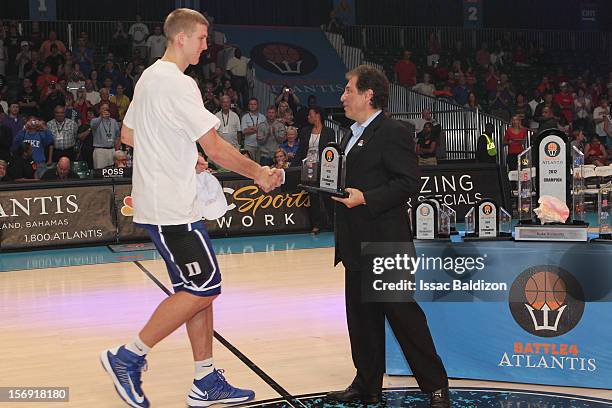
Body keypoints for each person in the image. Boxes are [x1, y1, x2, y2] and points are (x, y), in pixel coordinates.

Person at [99, 9, 283, 408]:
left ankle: (205, 381)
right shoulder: (178, 84)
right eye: (201, 38)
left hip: (164, 202)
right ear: (180, 38)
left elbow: (130, 135)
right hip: (173, 208)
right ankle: (127, 355)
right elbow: (216, 146)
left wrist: (183, 155)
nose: (206, 45)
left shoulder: (148, 78)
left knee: (194, 291)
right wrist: (259, 174)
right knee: (206, 286)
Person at [327, 64, 449, 407]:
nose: (343, 97)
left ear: (368, 94)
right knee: (362, 321)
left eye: (348, 90)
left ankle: (436, 386)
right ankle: (367, 384)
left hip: (385, 241)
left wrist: (365, 197)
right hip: (354, 241)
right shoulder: (350, 135)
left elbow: (407, 184)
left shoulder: (393, 130)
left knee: (403, 317)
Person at [295, 106, 335, 233]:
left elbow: (331, 152)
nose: (308, 117)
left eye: (310, 114)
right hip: (309, 167)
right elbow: (301, 151)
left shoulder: (329, 132)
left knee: (327, 197)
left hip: (325, 168)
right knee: (313, 197)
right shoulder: (305, 131)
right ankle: (316, 224)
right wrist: (293, 166)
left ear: (317, 115)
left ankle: (332, 223)